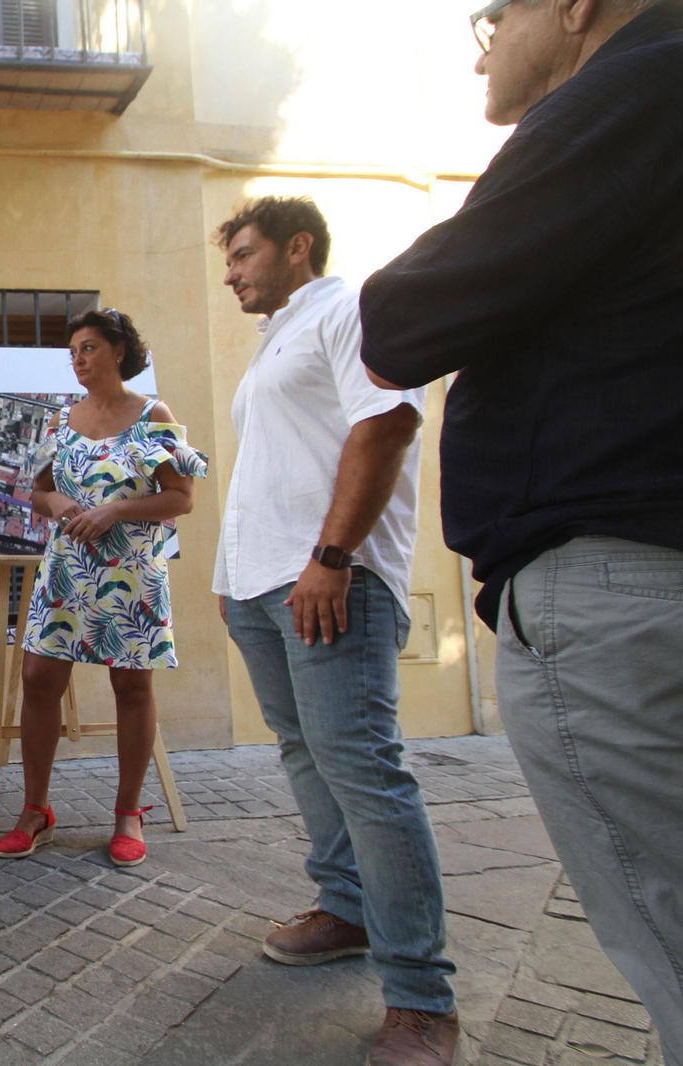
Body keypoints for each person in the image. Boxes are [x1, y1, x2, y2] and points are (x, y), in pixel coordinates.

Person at [360, 2, 683, 1060]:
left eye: (496, 15)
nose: (484, 43)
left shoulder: (620, 94)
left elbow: (401, 322)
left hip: (617, 587)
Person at [212, 197, 458, 1065]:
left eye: (243, 254)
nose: (233, 272)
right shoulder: (276, 338)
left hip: (327, 580)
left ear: (298, 247)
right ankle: (346, 906)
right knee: (304, 751)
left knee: (362, 767)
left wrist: (334, 554)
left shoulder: (352, 309)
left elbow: (387, 421)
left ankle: (422, 996)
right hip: (263, 585)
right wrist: (232, 578)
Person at [0, 309, 206, 869]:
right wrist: (58, 502)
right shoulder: (63, 421)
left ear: (118, 352)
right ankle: (35, 811)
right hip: (66, 569)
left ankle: (128, 814)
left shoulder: (153, 414)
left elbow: (182, 497)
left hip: (130, 573)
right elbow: (37, 493)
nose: (78, 359)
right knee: (39, 679)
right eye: (73, 351)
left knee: (131, 688)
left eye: (88, 348)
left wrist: (116, 510)